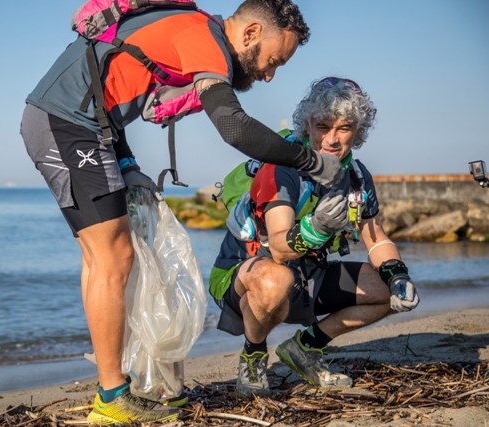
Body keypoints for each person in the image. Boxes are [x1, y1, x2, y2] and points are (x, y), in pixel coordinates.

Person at [20, 0, 346, 423]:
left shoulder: (194, 30)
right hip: (65, 124)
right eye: (272, 61)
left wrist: (127, 164)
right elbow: (233, 126)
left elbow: (105, 89)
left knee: (105, 257)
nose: (268, 75)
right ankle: (111, 397)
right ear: (249, 33)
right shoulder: (204, 38)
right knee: (112, 257)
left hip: (83, 127)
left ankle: (115, 388)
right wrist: (311, 162)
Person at [209, 77, 420, 397]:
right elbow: (278, 248)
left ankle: (304, 348)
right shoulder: (282, 167)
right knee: (274, 279)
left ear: (358, 131)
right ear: (307, 124)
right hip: (246, 274)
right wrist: (315, 229)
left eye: (344, 128)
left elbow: (376, 239)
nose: (332, 139)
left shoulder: (357, 176)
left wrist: (398, 275)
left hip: (307, 275)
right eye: (323, 126)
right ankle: (253, 355)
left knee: (384, 289)